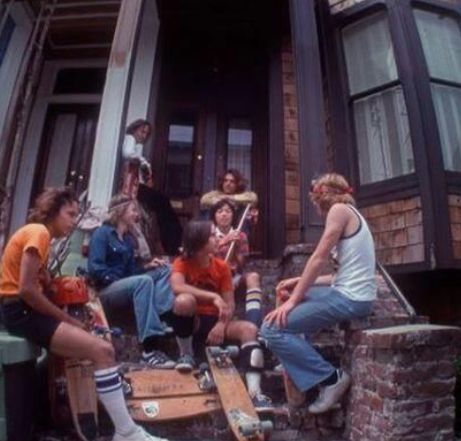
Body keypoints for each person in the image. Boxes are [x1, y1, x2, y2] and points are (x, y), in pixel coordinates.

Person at [0, 187, 166, 441]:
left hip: (19, 310)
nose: (73, 222)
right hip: (20, 311)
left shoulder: (38, 236)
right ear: (53, 213)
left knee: (95, 351)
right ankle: (126, 432)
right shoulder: (39, 233)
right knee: (103, 351)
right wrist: (66, 319)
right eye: (69, 214)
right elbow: (25, 289)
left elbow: (34, 283)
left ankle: (119, 429)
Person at [261, 173, 376, 414]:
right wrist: (296, 282)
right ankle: (298, 370)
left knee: (271, 328)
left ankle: (331, 379)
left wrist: (293, 300)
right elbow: (338, 276)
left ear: (321, 196)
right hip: (348, 292)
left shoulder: (339, 210)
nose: (315, 208)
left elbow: (319, 257)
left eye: (314, 201)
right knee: (288, 299)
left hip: (351, 299)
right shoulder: (351, 215)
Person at [170, 220, 270, 407]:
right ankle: (186, 354)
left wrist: (221, 324)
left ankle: (255, 393)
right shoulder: (182, 262)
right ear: (199, 240)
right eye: (213, 235)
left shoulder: (221, 267)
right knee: (183, 300)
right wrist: (212, 296)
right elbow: (177, 286)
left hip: (217, 322)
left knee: (249, 329)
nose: (218, 239)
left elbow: (230, 304)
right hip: (194, 321)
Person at [87, 194, 177, 369]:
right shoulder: (102, 234)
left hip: (125, 284)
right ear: (121, 212)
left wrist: (148, 266)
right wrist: (123, 280)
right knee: (142, 282)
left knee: (166, 269)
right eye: (133, 210)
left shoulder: (128, 240)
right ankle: (149, 349)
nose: (137, 214)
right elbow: (95, 268)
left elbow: (131, 273)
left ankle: (158, 317)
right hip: (105, 291)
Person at [210, 198, 263, 327]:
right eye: (220, 211)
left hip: (234, 276)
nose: (224, 214)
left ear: (233, 215)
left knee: (253, 277)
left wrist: (235, 246)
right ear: (214, 216)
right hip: (213, 276)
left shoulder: (241, 236)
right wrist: (224, 242)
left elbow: (240, 264)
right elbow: (204, 258)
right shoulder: (208, 234)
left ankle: (253, 323)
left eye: (228, 211)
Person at [200, 169, 258, 233]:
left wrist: (230, 197)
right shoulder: (216, 193)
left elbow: (253, 198)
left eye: (232, 181)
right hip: (217, 229)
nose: (228, 184)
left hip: (237, 227)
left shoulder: (242, 194)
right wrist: (222, 200)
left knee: (245, 214)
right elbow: (204, 199)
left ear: (237, 184)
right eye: (225, 181)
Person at [121, 119, 152, 198]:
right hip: (127, 182)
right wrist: (142, 160)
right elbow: (127, 153)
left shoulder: (133, 143)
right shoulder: (130, 138)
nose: (144, 136)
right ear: (134, 129)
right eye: (142, 132)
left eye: (146, 134)